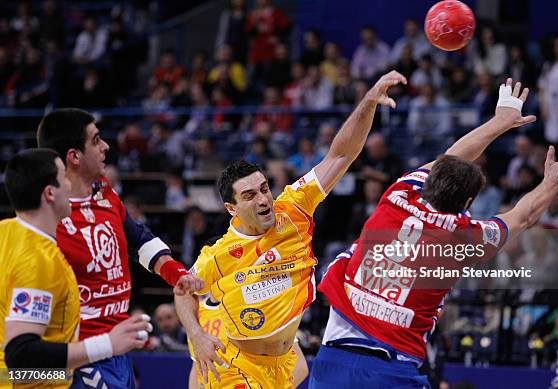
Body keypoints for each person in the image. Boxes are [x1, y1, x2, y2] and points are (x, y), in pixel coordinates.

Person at [311, 78, 558, 388]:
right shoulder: (464, 238)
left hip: (331, 360)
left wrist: (499, 121)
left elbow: (452, 156)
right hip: (392, 370)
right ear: (469, 202)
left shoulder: (399, 193)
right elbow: (522, 217)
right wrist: (551, 183)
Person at [176, 71, 408, 388]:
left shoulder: (294, 208)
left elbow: (340, 154)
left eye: (264, 188)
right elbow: (182, 290)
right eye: (249, 195)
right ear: (232, 208)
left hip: (285, 365)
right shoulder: (219, 254)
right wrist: (197, 336)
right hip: (239, 369)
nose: (263, 199)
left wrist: (366, 103)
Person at [36, 109, 203, 388]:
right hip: (79, 355)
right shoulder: (45, 217)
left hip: (117, 347)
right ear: (74, 156)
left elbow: (137, 238)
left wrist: (176, 274)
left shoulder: (104, 192)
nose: (106, 146)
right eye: (96, 140)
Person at [0, 149, 151, 387]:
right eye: (64, 178)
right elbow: (21, 360)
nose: (71, 186)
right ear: (50, 193)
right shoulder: (39, 261)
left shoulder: (6, 231)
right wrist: (107, 344)